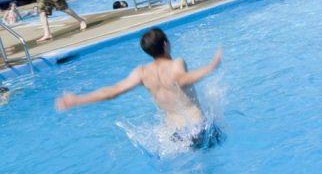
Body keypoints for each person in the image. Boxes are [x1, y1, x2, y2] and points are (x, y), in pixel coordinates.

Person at [55, 28, 223, 149]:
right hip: (198, 129)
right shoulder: (176, 63)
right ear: (165, 44)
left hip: (175, 135)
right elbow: (182, 80)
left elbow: (112, 92)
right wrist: (210, 67)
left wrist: (77, 100)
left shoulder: (142, 72)